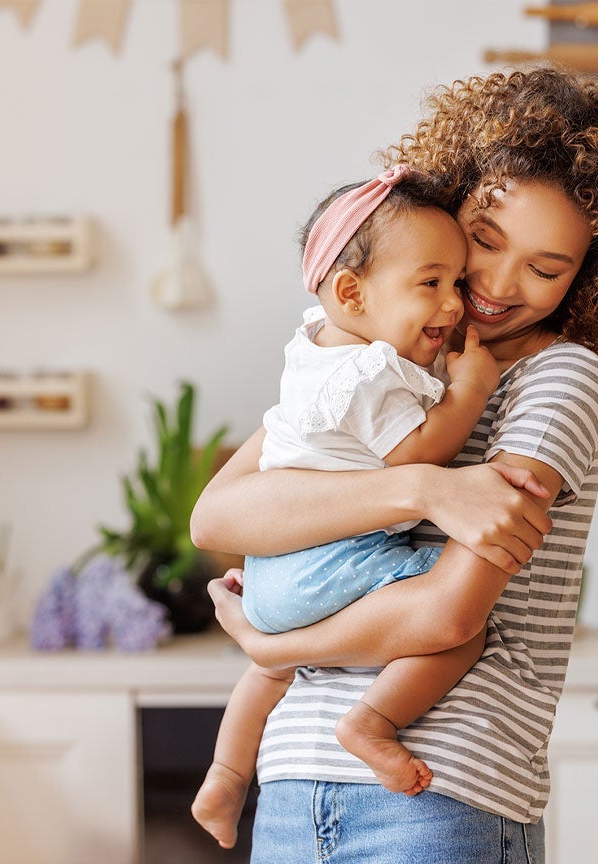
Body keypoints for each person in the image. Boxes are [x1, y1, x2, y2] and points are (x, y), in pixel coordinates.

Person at [190, 67, 598, 863]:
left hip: (440, 794)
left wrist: (272, 649)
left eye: (545, 268)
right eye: (486, 242)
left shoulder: (560, 378)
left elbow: (446, 616)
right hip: (292, 782)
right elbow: (218, 518)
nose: (498, 287)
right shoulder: (378, 360)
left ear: (590, 277)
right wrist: (422, 484)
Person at [189, 165, 506, 848]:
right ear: (351, 292)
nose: (453, 305)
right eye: (431, 284)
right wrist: (471, 390)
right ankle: (373, 722)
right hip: (330, 561)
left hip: (274, 571)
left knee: (271, 665)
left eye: (457, 283)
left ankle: (224, 774)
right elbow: (418, 454)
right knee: (462, 623)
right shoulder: (370, 372)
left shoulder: (314, 352)